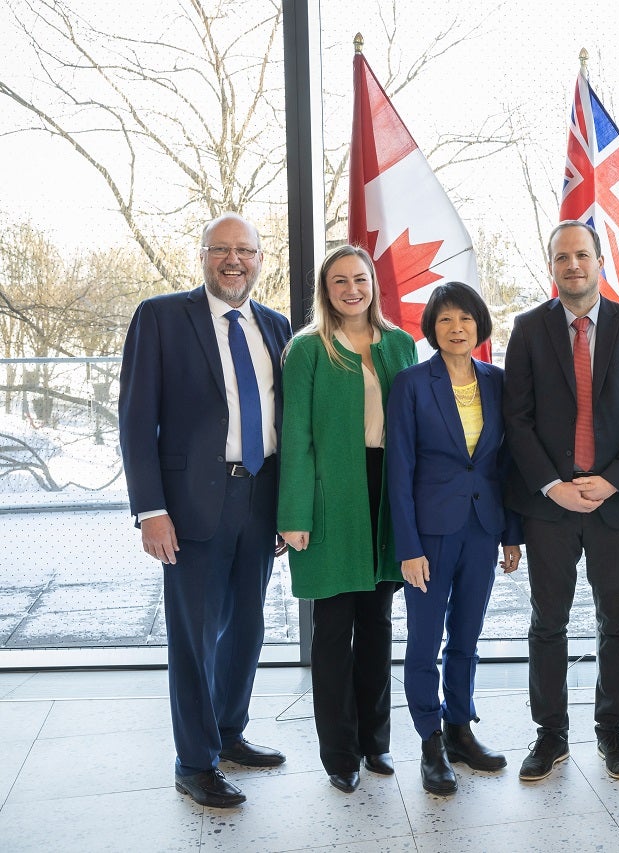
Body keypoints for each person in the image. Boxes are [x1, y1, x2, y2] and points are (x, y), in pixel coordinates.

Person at [119, 213, 292, 808]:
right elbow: (137, 420)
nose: (233, 260)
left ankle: (230, 733)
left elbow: (284, 420)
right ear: (203, 256)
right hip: (190, 505)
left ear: (260, 259)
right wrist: (150, 509)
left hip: (260, 496)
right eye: (221, 249)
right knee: (194, 637)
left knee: (247, 626)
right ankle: (194, 761)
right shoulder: (162, 317)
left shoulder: (276, 326)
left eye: (244, 250)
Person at [503, 220, 619, 781]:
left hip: (614, 503)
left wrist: (615, 478)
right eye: (561, 257)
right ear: (551, 267)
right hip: (549, 503)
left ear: (600, 261)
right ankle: (550, 736)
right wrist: (554, 485)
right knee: (548, 622)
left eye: (582, 255)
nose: (573, 265)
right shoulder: (526, 330)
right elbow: (516, 420)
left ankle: (613, 734)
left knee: (616, 621)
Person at [276, 245, 416, 794]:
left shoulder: (401, 344)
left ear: (373, 285)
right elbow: (297, 436)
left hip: (386, 492)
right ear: (326, 290)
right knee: (334, 630)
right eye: (340, 281)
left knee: (378, 624)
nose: (352, 289)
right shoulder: (308, 350)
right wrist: (294, 514)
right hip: (331, 495)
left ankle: (374, 742)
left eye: (360, 279)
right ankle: (339, 753)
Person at [386, 281, 523, 796]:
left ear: (479, 325)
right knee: (424, 640)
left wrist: (511, 533)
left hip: (482, 528)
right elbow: (398, 471)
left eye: (465, 318)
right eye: (445, 320)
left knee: (466, 636)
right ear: (432, 329)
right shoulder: (412, 384)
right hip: (430, 532)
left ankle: (461, 730)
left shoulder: (497, 381)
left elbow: (504, 464)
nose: (456, 327)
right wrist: (408, 547)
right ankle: (430, 741)